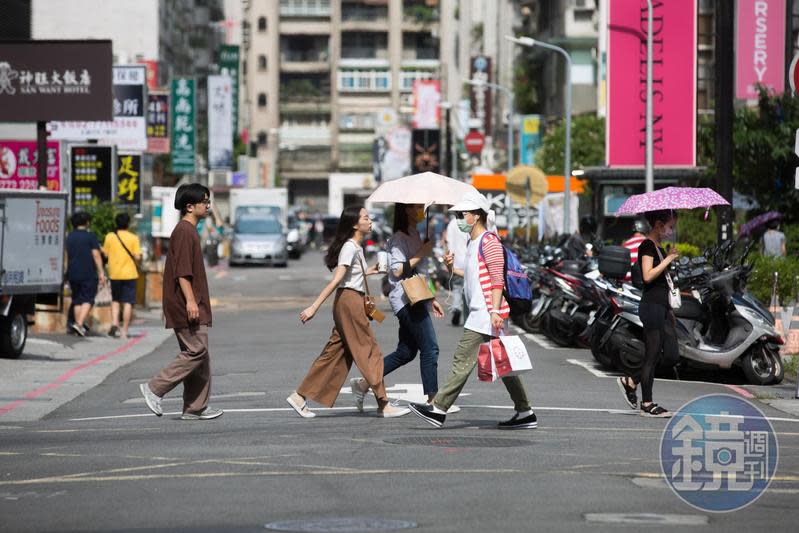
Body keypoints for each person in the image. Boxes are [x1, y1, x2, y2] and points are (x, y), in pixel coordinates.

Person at [408, 190, 537, 430]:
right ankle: (525, 411)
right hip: (484, 312)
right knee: (505, 364)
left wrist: (495, 312)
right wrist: (451, 269)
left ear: (475, 216)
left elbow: (498, 279)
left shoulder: (489, 241)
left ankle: (438, 409)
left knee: (462, 359)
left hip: (487, 313)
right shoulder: (473, 242)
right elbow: (474, 275)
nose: (458, 219)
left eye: (461, 214)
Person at [287, 206, 410, 419]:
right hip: (350, 302)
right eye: (366, 217)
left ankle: (299, 396)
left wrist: (370, 270)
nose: (370, 221)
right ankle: (384, 404)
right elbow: (337, 279)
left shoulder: (356, 248)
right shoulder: (350, 248)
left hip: (352, 300)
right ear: (355, 224)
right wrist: (314, 306)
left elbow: (352, 276)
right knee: (369, 351)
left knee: (335, 354)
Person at [139, 183, 223, 421]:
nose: (208, 205)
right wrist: (191, 302)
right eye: (204, 201)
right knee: (196, 351)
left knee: (201, 355)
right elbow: (182, 272)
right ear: (190, 206)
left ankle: (195, 408)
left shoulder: (189, 231)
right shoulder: (185, 232)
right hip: (186, 303)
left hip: (191, 301)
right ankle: (155, 388)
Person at [350, 204, 446, 410]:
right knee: (430, 348)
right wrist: (423, 251)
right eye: (417, 207)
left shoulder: (414, 234)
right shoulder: (399, 237)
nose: (421, 209)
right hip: (406, 300)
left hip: (417, 298)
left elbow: (421, 272)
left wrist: (431, 299)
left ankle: (364, 383)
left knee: (406, 352)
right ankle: (433, 399)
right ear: (406, 211)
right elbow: (396, 270)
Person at [617, 209, 678, 418]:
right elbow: (648, 275)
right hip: (651, 306)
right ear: (659, 225)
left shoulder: (659, 247)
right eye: (670, 226)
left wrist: (669, 312)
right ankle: (647, 402)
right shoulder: (647, 246)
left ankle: (631, 380)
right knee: (652, 354)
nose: (671, 231)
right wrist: (668, 259)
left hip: (661, 307)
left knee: (670, 354)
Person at [65, 212, 106, 337]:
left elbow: (66, 256)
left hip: (72, 273)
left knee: (77, 300)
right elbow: (96, 255)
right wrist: (101, 272)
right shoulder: (90, 237)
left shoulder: (69, 237)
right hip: (88, 273)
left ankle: (79, 325)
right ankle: (79, 324)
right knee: (88, 299)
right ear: (87, 222)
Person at [102, 213, 142, 339]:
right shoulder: (133, 238)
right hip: (130, 274)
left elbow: (105, 253)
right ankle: (124, 331)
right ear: (128, 224)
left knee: (115, 300)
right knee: (128, 302)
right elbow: (137, 256)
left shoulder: (110, 236)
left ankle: (115, 323)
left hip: (114, 274)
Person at [443, 214, 469, 326]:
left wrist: (447, 259)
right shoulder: (469, 223)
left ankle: (456, 307)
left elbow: (447, 242)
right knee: (468, 289)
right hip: (468, 260)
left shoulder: (451, 224)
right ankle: (468, 315)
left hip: (455, 261)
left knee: (457, 287)